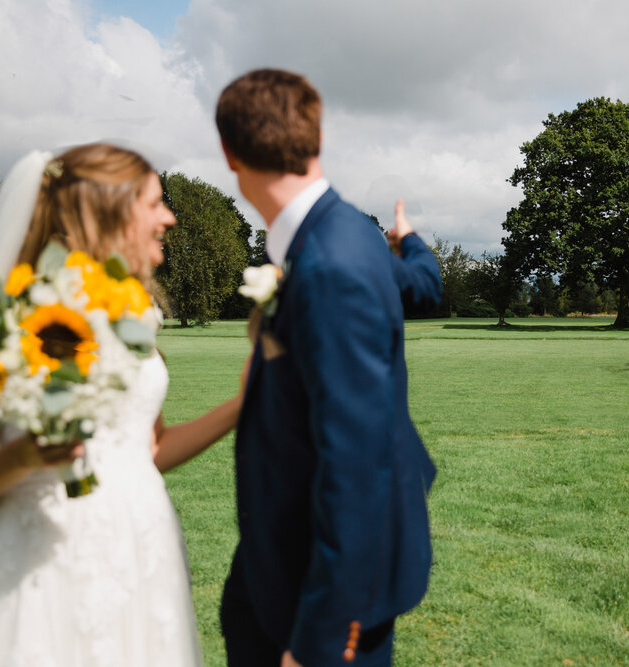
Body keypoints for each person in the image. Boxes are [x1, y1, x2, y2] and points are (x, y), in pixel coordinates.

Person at [0, 144, 248, 666]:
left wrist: (242, 404)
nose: (169, 217)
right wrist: (23, 457)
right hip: (37, 566)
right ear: (108, 211)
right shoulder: (3, 322)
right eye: (154, 202)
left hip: (138, 552)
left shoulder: (133, 320)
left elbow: (148, 447)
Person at [215, 69, 442, 667]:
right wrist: (410, 241)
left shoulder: (333, 262)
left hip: (323, 600)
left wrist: (319, 639)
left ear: (229, 153)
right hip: (280, 559)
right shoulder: (352, 236)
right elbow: (421, 286)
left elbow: (356, 465)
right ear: (315, 140)